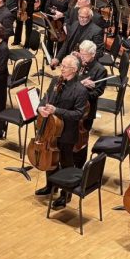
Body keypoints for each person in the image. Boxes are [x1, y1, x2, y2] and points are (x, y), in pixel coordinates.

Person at [33, 55, 90, 207]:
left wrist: (56, 110)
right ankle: (50, 185)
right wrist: (41, 107)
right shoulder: (55, 81)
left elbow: (78, 114)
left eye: (65, 66)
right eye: (62, 65)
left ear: (74, 70)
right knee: (50, 159)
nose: (62, 68)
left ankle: (66, 194)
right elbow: (46, 97)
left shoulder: (80, 90)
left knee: (66, 163)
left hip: (67, 133)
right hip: (50, 129)